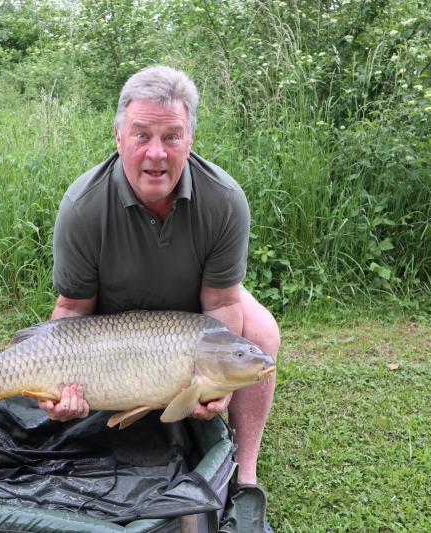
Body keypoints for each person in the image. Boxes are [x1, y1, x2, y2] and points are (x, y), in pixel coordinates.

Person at [40, 65, 280, 490]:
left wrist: (216, 383)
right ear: (118, 137)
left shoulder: (224, 200)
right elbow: (73, 309)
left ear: (189, 140)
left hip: (190, 325)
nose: (156, 153)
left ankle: (243, 473)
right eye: (141, 135)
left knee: (260, 334)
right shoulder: (82, 206)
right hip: (114, 327)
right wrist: (54, 385)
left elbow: (222, 303)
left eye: (171, 136)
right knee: (52, 365)